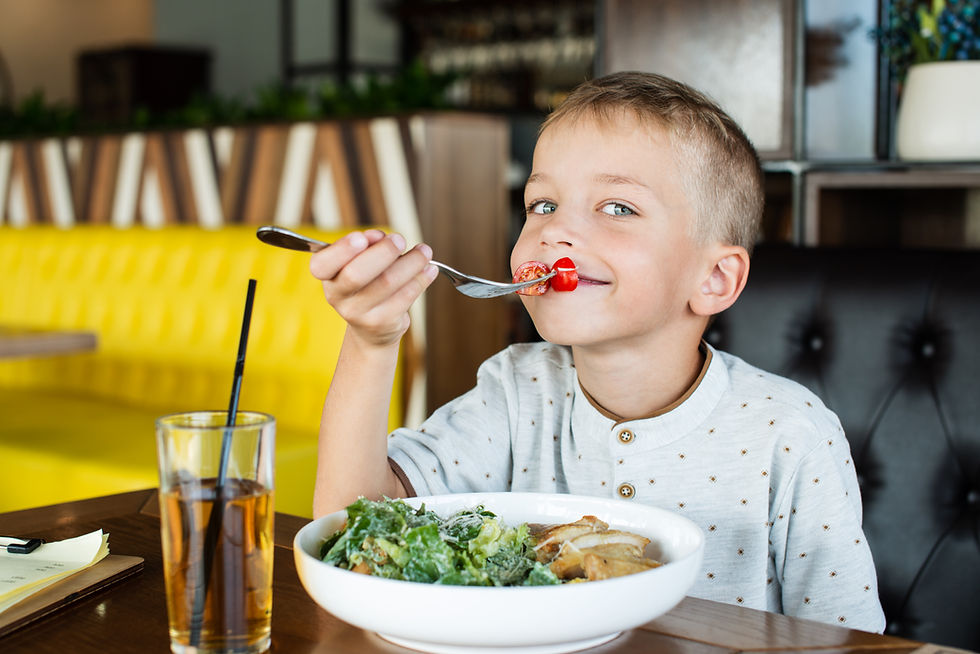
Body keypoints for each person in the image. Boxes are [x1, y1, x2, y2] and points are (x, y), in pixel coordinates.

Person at [309, 71, 886, 632]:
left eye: (617, 208)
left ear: (714, 278)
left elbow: (847, 640)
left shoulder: (789, 434)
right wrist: (372, 341)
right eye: (541, 205)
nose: (553, 232)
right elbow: (351, 526)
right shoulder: (515, 392)